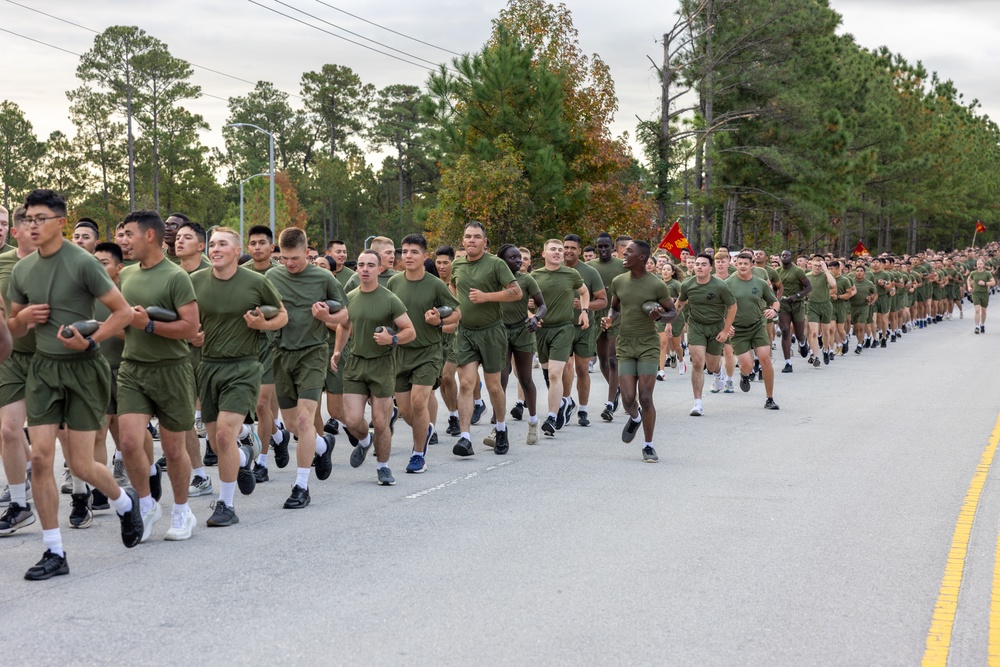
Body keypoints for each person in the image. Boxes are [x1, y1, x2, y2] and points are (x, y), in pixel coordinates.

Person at [8, 189, 139, 580]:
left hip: (83, 368)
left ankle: (123, 501)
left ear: (59, 222)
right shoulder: (22, 270)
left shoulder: (82, 263)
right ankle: (54, 551)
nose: (32, 225)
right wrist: (24, 318)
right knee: (43, 458)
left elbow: (123, 313)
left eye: (40, 218)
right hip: (44, 370)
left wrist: (91, 340)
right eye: (28, 218)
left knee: (82, 463)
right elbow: (12, 327)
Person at [191, 227, 286, 526]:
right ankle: (243, 459)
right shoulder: (193, 282)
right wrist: (190, 335)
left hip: (244, 366)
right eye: (212, 244)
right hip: (207, 365)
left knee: (223, 434)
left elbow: (282, 315)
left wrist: (263, 326)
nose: (215, 248)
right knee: (218, 442)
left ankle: (226, 505)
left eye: (222, 244)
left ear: (235, 251)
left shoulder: (256, 282)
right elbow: (185, 319)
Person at [116, 209, 201, 542]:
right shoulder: (126, 276)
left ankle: (182, 511)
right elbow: (123, 321)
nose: (124, 241)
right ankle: (148, 503)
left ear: (149, 236)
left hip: (172, 371)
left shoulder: (176, 276)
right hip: (133, 368)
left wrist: (148, 325)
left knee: (174, 449)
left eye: (129, 235)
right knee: (128, 442)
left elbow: (190, 328)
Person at [266, 227, 346, 509]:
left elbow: (345, 315)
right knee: (292, 426)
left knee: (304, 420)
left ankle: (301, 486)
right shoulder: (271, 276)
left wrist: (327, 316)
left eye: (295, 258)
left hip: (313, 353)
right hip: (281, 353)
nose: (289, 263)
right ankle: (323, 446)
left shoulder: (323, 277)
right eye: (284, 258)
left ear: (308, 253)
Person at [333, 250, 415, 485]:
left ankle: (384, 467)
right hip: (356, 363)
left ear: (380, 270)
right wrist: (338, 350)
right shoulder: (349, 297)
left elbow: (410, 330)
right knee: (352, 420)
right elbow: (344, 325)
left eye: (370, 265)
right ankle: (364, 441)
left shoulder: (390, 299)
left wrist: (393, 339)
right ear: (357, 269)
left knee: (380, 422)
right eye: (361, 265)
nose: (365, 269)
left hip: (382, 365)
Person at [387, 234, 460, 473]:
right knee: (406, 410)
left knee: (419, 403)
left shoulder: (435, 284)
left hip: (428, 352)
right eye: (405, 251)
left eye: (414, 252)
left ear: (424, 256)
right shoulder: (394, 283)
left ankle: (418, 454)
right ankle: (426, 429)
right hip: (400, 353)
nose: (408, 256)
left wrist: (439, 320)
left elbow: (457, 315)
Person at [449, 222, 522, 457]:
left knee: (493, 386)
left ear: (484, 241)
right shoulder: (457, 264)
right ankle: (465, 438)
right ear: (463, 240)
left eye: (476, 237)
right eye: (468, 236)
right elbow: (452, 286)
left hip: (492, 331)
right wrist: (456, 307)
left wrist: (486, 297)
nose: (471, 240)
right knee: (467, 384)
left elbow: (516, 292)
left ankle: (501, 428)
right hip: (466, 332)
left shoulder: (496, 264)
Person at [601, 240, 675, 462]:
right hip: (625, 343)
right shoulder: (618, 281)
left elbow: (672, 312)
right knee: (627, 399)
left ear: (641, 257)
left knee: (645, 396)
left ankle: (648, 445)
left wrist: (660, 317)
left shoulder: (657, 285)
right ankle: (635, 418)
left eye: (629, 252)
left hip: (647, 345)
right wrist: (609, 319)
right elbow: (614, 308)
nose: (623, 254)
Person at [242, 225, 287, 486]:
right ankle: (278, 437)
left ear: (272, 247)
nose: (257, 247)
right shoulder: (240, 274)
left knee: (261, 406)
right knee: (254, 408)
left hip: (271, 345)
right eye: (253, 243)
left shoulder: (279, 275)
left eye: (262, 243)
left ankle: (262, 462)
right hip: (244, 346)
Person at [0, 206, 36, 536]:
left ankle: (86, 492)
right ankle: (20, 503)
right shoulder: (3, 263)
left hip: (50, 359)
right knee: (9, 430)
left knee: (59, 443)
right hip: (11, 358)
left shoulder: (60, 262)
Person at [531, 239, 589, 437]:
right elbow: (523, 300)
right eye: (553, 250)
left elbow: (584, 292)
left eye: (560, 250)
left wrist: (585, 311)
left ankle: (551, 418)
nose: (557, 252)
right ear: (544, 253)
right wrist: (531, 315)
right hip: (542, 330)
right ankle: (564, 402)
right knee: (549, 377)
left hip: (563, 328)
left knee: (556, 373)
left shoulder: (571, 274)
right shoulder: (535, 276)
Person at [675, 253, 737, 417]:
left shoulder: (720, 286)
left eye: (703, 264)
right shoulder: (687, 284)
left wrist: (725, 330)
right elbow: (679, 304)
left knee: (711, 365)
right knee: (697, 362)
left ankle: (718, 373)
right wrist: (668, 322)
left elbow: (732, 307)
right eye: (697, 264)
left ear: (711, 268)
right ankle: (698, 403)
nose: (699, 267)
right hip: (696, 326)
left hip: (716, 327)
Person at [496, 244, 545, 445]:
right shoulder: (494, 280)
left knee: (525, 379)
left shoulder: (527, 280)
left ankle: (533, 422)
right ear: (501, 261)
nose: (519, 261)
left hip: (523, 330)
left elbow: (542, 305)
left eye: (520, 258)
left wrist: (536, 318)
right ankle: (499, 424)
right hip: (500, 331)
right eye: (513, 258)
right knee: (501, 377)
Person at [560, 234, 606, 427]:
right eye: (566, 247)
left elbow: (602, 300)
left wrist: (584, 307)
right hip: (560, 327)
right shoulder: (555, 270)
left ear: (579, 250)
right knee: (563, 368)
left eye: (573, 248)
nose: (568, 251)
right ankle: (565, 402)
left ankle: (583, 409)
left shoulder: (590, 272)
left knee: (581, 369)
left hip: (584, 327)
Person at [726, 253, 780, 409]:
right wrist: (726, 325)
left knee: (765, 359)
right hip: (738, 330)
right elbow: (719, 308)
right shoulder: (727, 284)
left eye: (746, 263)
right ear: (736, 264)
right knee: (748, 365)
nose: (742, 266)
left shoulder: (760, 283)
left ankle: (769, 399)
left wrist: (773, 311)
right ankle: (744, 375)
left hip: (757, 326)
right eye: (740, 263)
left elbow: (775, 302)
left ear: (752, 265)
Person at [587, 233, 627, 421]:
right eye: (599, 247)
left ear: (612, 247)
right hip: (596, 316)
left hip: (616, 315)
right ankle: (617, 389)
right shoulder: (589, 267)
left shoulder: (622, 265)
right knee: (601, 360)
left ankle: (610, 403)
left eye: (606, 246)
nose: (603, 250)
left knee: (613, 359)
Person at [776, 249, 812, 372]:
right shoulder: (777, 272)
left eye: (787, 255)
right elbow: (772, 287)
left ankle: (802, 343)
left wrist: (797, 295)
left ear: (791, 257)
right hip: (783, 304)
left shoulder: (798, 271)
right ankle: (788, 363)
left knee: (799, 334)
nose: (784, 257)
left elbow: (808, 287)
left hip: (797, 304)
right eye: (783, 255)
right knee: (785, 331)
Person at [968, 258, 996, 333]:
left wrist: (985, 283)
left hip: (984, 293)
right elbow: (969, 279)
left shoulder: (987, 273)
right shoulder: (973, 273)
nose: (979, 265)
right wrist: (969, 287)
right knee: (977, 310)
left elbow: (993, 282)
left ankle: (982, 324)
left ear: (983, 265)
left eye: (980, 264)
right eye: (978, 264)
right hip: (976, 293)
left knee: (983, 311)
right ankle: (977, 327)